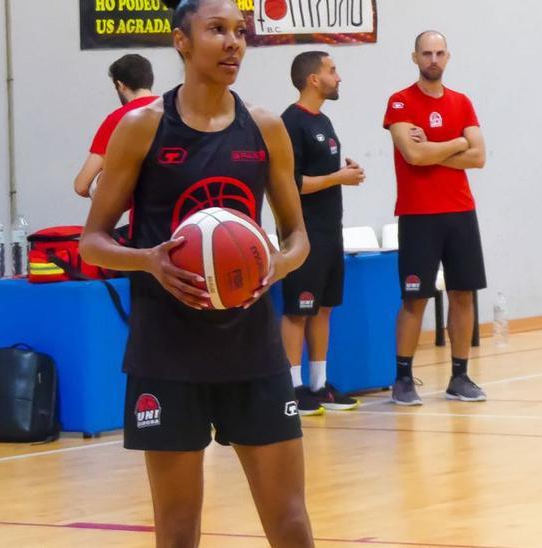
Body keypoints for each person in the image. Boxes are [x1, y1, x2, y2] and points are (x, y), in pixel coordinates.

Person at [79, 1, 315, 545]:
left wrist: (271, 266)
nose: (233, 42)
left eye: (240, 32)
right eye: (217, 31)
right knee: (179, 528)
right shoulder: (141, 128)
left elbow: (297, 239)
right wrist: (147, 260)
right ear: (181, 42)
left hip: (252, 351)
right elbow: (92, 242)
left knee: (291, 522)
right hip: (167, 354)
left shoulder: (266, 128)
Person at [383, 30, 488, 406]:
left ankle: (460, 376)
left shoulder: (462, 103)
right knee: (415, 299)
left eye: (439, 53)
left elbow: (478, 157)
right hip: (418, 214)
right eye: (426, 53)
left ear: (448, 57)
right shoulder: (400, 103)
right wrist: (458, 142)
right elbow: (413, 157)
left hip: (460, 212)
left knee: (464, 294)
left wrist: (436, 147)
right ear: (414, 58)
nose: (433, 59)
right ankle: (403, 378)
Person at [280, 51, 365, 415]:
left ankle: (318, 384)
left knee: (323, 309)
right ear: (314, 79)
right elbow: (290, 183)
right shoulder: (290, 122)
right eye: (332, 71)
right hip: (303, 232)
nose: (339, 77)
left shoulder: (324, 121)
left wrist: (345, 173)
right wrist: (336, 178)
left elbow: (325, 177)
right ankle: (293, 388)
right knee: (298, 310)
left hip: (331, 230)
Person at [73, 53, 158, 198]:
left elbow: (82, 185)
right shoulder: (175, 110)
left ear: (120, 85)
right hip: (186, 213)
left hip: (144, 217)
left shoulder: (118, 119)